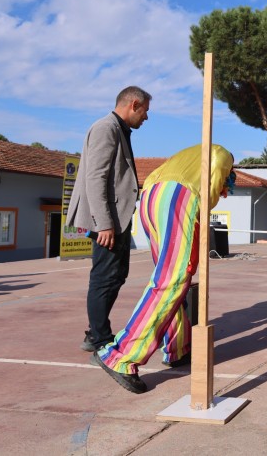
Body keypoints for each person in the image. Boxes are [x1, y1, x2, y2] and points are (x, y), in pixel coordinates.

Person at [91, 144, 235, 394]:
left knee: (169, 277)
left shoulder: (187, 158)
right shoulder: (222, 155)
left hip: (151, 198)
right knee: (174, 279)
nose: (226, 191)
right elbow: (209, 192)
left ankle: (177, 348)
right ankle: (121, 355)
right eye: (227, 185)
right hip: (179, 199)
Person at [66, 86, 151, 353]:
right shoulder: (106, 128)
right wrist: (103, 223)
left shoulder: (118, 129)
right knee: (104, 277)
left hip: (115, 219)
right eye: (145, 111)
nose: (146, 117)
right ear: (134, 104)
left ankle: (96, 332)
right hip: (106, 221)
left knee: (115, 276)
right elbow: (96, 177)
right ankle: (100, 340)